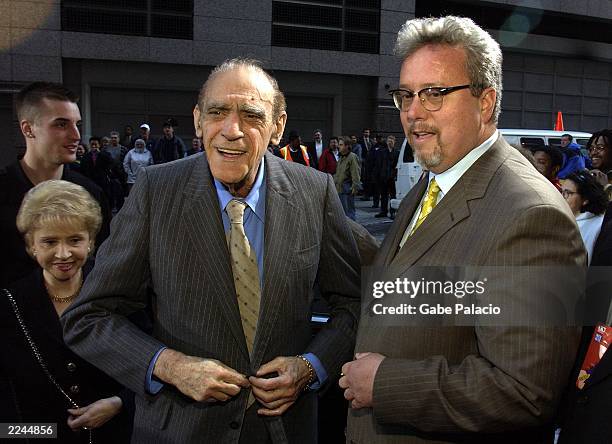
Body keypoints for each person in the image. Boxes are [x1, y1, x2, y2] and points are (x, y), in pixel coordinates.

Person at [62, 58, 361, 443]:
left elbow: (352, 305)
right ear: (199, 121)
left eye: (251, 115)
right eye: (217, 112)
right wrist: (168, 366)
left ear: (277, 127)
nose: (231, 130)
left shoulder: (315, 192)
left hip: (283, 430)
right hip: (180, 430)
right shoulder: (156, 192)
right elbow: (88, 317)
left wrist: (310, 366)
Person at [341, 16, 585, 444]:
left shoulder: (533, 216)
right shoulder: (436, 177)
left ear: (485, 102)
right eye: (406, 95)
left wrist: (386, 383)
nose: (413, 112)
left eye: (434, 94)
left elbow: (525, 391)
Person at [0, 180, 131, 443]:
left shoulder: (119, 293)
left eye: (75, 240)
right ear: (31, 246)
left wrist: (118, 404)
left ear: (91, 242)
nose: (63, 254)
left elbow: (149, 369)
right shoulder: (8, 304)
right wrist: (47, 434)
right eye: (49, 242)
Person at [0, 82, 111, 288]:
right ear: (28, 128)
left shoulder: (91, 194)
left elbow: (104, 267)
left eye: (77, 124)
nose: (76, 135)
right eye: (61, 124)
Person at [561, 170, 608, 265]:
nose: (562, 197)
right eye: (561, 192)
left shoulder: (599, 224)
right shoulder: (563, 218)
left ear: (585, 199)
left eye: (568, 193)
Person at [334, 136, 361, 220]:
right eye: (339, 144)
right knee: (343, 215)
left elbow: (356, 174)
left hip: (347, 190)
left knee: (349, 215)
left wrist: (354, 188)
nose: (338, 146)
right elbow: (338, 173)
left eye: (341, 144)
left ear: (347, 146)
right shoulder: (341, 158)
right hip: (340, 190)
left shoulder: (352, 157)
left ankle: (352, 232)